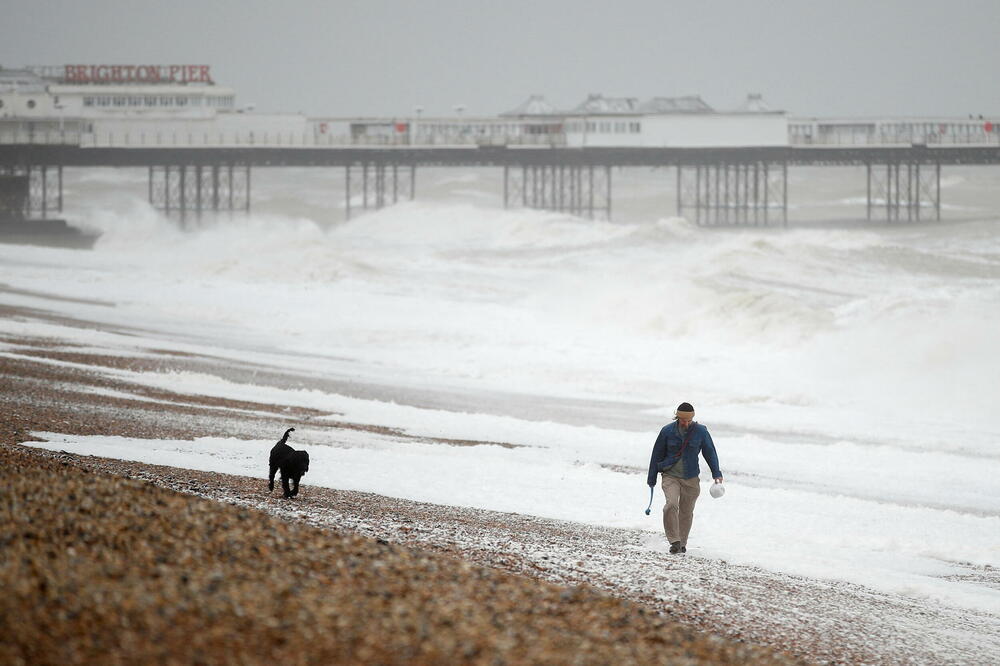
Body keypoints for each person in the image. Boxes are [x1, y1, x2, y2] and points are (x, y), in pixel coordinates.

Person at [646, 402, 723, 554]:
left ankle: (682, 543)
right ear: (677, 417)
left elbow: (710, 452)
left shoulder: (701, 431)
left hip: (691, 477)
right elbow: (656, 454)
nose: (686, 423)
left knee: (686, 512)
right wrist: (652, 478)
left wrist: (716, 473)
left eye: (689, 420)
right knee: (671, 505)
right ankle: (674, 540)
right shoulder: (667, 431)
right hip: (670, 475)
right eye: (683, 420)